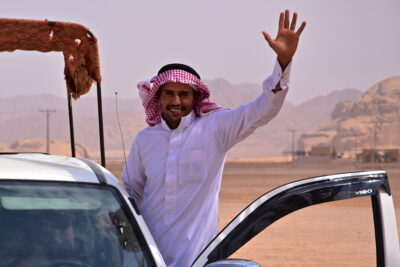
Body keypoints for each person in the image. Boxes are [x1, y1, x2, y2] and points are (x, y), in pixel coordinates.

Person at [122, 10, 306, 267]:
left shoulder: (215, 129)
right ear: (158, 98)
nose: (176, 101)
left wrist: (283, 63)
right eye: (169, 94)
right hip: (147, 257)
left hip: (196, 258)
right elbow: (131, 192)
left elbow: (263, 111)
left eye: (184, 94)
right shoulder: (145, 140)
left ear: (195, 97)